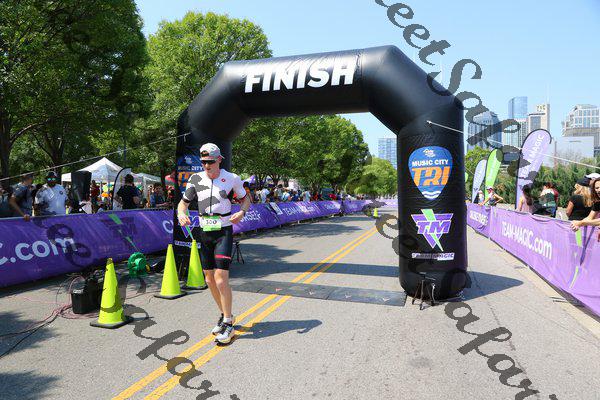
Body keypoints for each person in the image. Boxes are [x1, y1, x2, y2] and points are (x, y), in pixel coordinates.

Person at [177, 143, 250, 344]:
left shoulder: (232, 178)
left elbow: (246, 199)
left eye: (210, 161)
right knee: (209, 279)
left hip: (223, 231)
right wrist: (181, 214)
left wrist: (242, 212)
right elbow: (183, 203)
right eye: (203, 162)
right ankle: (226, 315)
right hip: (204, 231)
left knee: (220, 278)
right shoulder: (195, 178)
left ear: (219, 160)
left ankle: (228, 323)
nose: (207, 165)